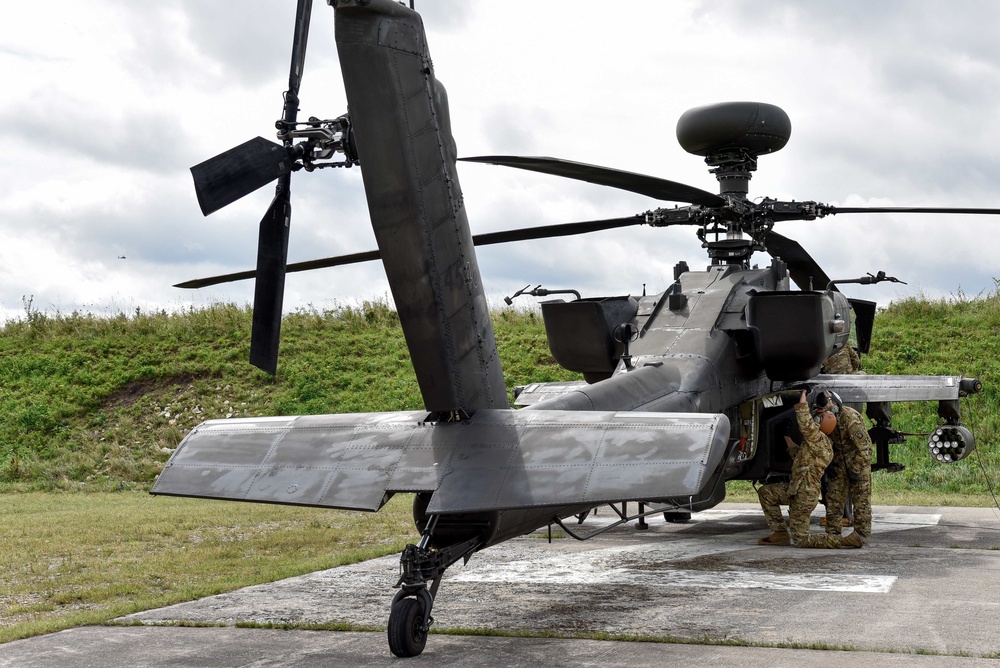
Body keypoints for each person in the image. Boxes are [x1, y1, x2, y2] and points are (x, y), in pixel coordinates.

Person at [757, 390, 840, 548]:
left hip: (805, 495)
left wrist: (802, 397)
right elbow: (798, 456)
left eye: (819, 418)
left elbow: (805, 424)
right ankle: (780, 533)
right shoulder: (816, 444)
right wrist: (786, 436)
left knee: (801, 540)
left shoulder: (819, 440)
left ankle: (839, 541)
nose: (816, 418)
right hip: (796, 490)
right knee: (766, 493)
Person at [819, 390, 871, 548]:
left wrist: (855, 469)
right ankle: (832, 534)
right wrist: (830, 464)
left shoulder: (850, 418)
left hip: (858, 463)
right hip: (839, 464)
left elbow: (866, 449)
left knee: (861, 501)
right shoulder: (826, 419)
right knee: (833, 498)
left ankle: (860, 535)